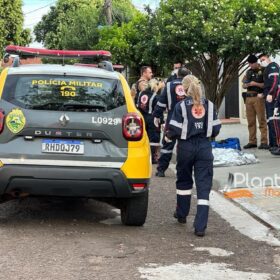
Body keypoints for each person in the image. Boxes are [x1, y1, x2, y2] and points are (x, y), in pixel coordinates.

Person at [165, 75, 221, 237]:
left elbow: (174, 130)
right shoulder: (209, 106)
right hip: (204, 147)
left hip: (186, 148)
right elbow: (216, 129)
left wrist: (168, 136)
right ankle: (200, 226)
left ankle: (182, 214)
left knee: (184, 180)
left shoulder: (181, 106)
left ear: (185, 88)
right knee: (203, 186)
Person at [153, 67, 191, 177]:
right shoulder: (190, 85)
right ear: (187, 75)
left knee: (167, 146)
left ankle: (161, 170)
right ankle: (183, 171)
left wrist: (157, 115)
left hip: (172, 119)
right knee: (185, 146)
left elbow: (161, 103)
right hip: (187, 120)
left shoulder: (169, 85)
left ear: (177, 74)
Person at [242, 54, 268, 149]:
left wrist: (255, 83)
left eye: (251, 64)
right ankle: (252, 141)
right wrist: (245, 85)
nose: (250, 66)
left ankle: (264, 142)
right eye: (249, 64)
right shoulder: (248, 72)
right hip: (248, 98)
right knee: (250, 121)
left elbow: (266, 85)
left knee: (261, 120)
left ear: (256, 62)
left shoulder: (264, 70)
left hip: (258, 97)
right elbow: (243, 84)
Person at [137, 79, 162, 163]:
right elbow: (158, 109)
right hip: (152, 118)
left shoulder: (141, 93)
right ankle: (152, 158)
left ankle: (141, 156)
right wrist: (161, 121)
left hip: (141, 118)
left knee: (142, 137)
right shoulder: (155, 95)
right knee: (153, 138)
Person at [258, 54, 280, 152]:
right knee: (270, 121)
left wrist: (271, 93)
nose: (261, 61)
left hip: (274, 99)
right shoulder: (267, 68)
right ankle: (273, 144)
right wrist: (264, 94)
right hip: (269, 98)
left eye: (263, 59)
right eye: (260, 60)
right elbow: (269, 84)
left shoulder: (273, 66)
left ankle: (276, 145)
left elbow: (275, 81)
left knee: (274, 121)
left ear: (267, 58)